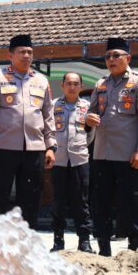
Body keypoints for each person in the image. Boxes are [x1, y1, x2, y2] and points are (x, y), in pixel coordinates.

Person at [86, 37, 138, 257]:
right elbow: (91, 112)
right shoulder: (101, 84)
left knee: (132, 200)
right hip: (102, 152)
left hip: (129, 154)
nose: (111, 60)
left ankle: (134, 248)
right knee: (100, 201)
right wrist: (89, 119)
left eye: (116, 55)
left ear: (128, 58)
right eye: (107, 56)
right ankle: (103, 247)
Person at [0, 34, 56, 229]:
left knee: (31, 196)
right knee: (0, 195)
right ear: (10, 55)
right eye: (22, 52)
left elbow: (48, 115)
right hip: (4, 147)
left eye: (30, 52)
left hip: (35, 148)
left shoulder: (41, 80)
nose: (26, 56)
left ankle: (28, 237)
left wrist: (50, 146)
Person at [50, 72, 94, 253]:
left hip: (79, 159)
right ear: (62, 86)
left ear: (81, 86)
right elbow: (49, 130)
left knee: (81, 202)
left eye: (76, 83)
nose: (72, 87)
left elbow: (91, 135)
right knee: (58, 202)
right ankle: (58, 241)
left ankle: (84, 241)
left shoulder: (87, 107)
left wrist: (80, 146)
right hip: (58, 160)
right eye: (68, 83)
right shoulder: (53, 106)